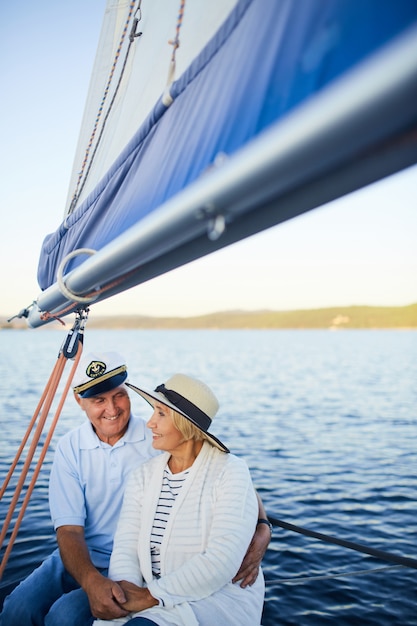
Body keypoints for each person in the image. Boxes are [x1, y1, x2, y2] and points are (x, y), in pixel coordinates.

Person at [0, 353, 270, 626]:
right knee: (16, 610)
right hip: (85, 553)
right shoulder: (71, 447)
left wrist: (261, 526)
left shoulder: (157, 439)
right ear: (79, 402)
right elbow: (69, 530)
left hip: (139, 563)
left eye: (118, 395)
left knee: (63, 617)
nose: (112, 409)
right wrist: (93, 582)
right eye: (98, 400)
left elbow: (232, 481)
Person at [93, 373, 265, 626]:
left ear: (186, 425)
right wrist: (124, 594)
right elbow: (125, 547)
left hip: (214, 599)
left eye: (161, 414)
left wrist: (149, 597)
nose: (150, 423)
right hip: (149, 594)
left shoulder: (230, 471)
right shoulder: (143, 475)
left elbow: (221, 560)